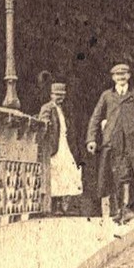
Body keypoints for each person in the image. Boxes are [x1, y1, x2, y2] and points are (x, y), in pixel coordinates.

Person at [87, 62, 134, 224]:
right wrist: (91, 139)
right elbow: (96, 117)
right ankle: (119, 209)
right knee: (115, 175)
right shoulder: (106, 96)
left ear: (129, 76)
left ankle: (127, 208)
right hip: (111, 141)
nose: (121, 77)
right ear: (113, 78)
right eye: (118, 75)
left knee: (127, 174)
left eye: (124, 74)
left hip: (131, 142)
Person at [38, 77, 86, 216]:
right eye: (57, 95)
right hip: (54, 145)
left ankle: (65, 205)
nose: (60, 98)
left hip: (63, 144)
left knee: (67, 172)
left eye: (62, 95)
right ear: (51, 95)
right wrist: (46, 124)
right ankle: (55, 205)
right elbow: (43, 122)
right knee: (56, 173)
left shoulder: (62, 109)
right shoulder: (47, 108)